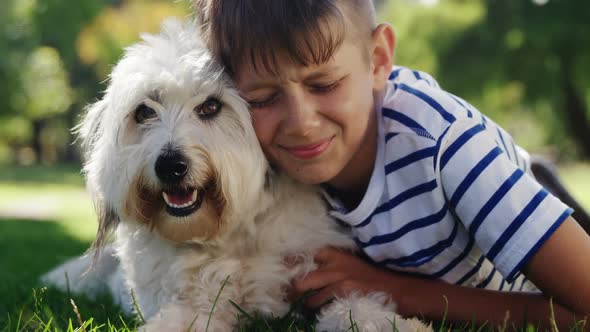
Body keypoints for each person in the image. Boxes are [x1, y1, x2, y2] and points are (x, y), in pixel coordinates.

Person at [194, 0, 590, 328]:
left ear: (379, 58)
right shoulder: (266, 163)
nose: (301, 124)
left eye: (324, 84)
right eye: (262, 97)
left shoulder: (445, 146)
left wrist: (393, 290)